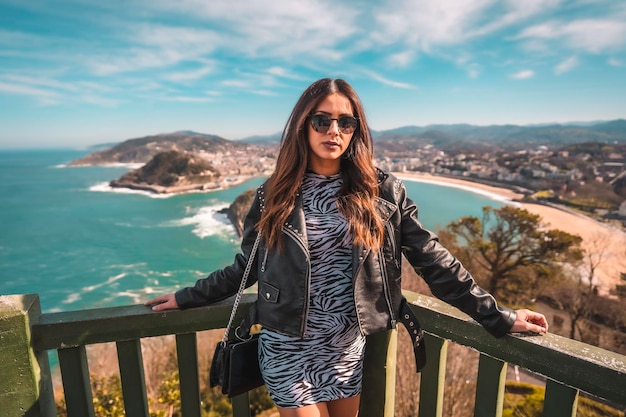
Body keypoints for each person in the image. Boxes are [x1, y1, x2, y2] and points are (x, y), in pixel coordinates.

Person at [145, 78, 548, 417]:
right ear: (303, 126)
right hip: (287, 346)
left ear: (357, 129)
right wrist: (186, 297)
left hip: (345, 349)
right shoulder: (273, 195)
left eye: (345, 122)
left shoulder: (383, 193)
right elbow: (245, 267)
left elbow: (433, 259)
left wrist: (497, 315)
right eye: (321, 120)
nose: (333, 131)